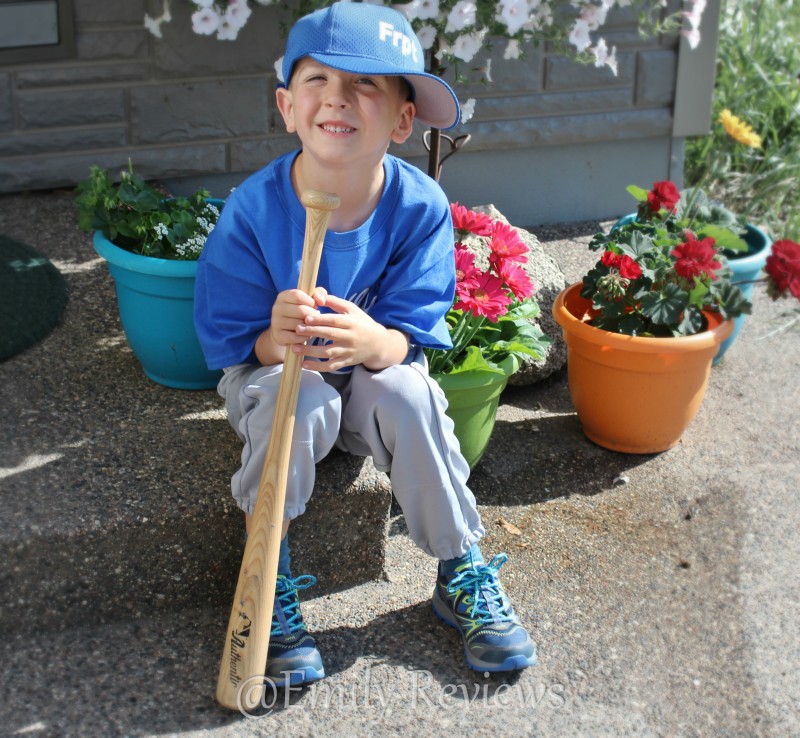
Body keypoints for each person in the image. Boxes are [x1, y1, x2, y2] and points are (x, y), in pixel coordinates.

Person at [194, 2, 536, 687]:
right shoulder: (254, 209)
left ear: (403, 120)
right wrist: (275, 336)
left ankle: (458, 563)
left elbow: (407, 342)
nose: (339, 99)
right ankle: (270, 573)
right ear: (288, 107)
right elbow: (232, 344)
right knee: (303, 400)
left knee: (409, 391)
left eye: (367, 85)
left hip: (374, 383)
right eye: (319, 80)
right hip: (276, 381)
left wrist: (371, 338)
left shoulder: (419, 208)